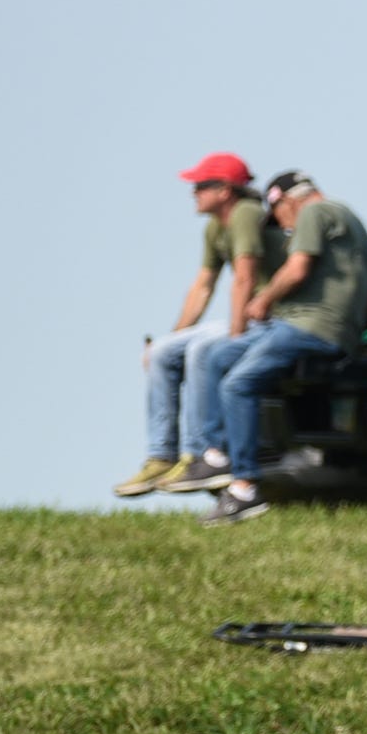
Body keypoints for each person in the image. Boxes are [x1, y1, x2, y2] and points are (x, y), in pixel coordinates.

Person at [199, 171, 367, 524]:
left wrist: (263, 300)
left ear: (286, 199)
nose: (280, 222)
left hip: (311, 326)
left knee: (237, 383)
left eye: (276, 212)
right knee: (215, 356)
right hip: (317, 325)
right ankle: (215, 454)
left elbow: (297, 268)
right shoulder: (348, 216)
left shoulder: (314, 212)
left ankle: (244, 486)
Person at [126, 153, 282, 497]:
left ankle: (199, 454)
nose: (193, 193)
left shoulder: (245, 214)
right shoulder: (215, 227)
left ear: (225, 190)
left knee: (203, 349)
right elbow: (203, 286)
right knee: (165, 352)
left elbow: (244, 278)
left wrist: (235, 336)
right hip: (243, 318)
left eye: (200, 186)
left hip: (267, 320)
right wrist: (170, 337)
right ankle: (161, 455)